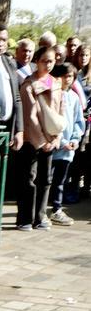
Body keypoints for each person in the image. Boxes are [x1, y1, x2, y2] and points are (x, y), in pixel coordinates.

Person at [16, 47, 63, 230]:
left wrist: (56, 137)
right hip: (32, 139)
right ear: (37, 61)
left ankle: (40, 217)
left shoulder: (56, 83)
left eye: (51, 61)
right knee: (29, 179)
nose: (48, 64)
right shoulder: (29, 84)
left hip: (51, 139)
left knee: (46, 179)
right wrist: (42, 140)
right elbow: (30, 116)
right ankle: (25, 218)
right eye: (44, 61)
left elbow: (60, 111)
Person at [48, 63, 85, 225]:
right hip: (53, 145)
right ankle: (41, 209)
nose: (66, 79)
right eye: (63, 76)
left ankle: (56, 208)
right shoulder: (51, 95)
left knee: (60, 181)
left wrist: (74, 139)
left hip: (68, 148)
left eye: (70, 76)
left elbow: (78, 121)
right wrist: (61, 141)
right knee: (46, 179)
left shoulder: (74, 97)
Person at [67, 43, 91, 200]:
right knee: (74, 155)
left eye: (86, 55)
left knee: (86, 156)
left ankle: (85, 188)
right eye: (81, 55)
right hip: (74, 117)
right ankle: (72, 188)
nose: (83, 58)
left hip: (89, 120)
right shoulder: (74, 73)